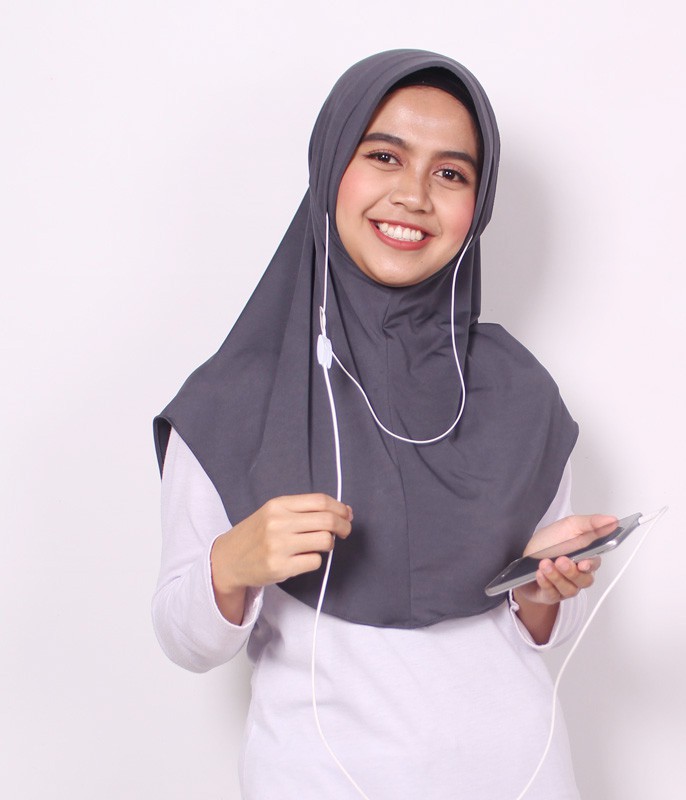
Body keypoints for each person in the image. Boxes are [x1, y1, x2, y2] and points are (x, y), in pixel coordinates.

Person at [152, 49, 618, 799]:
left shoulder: (516, 390)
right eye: (384, 156)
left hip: (521, 776)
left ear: (478, 204)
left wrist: (543, 590)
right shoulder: (234, 397)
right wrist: (229, 565)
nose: (414, 195)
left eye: (451, 173)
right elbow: (187, 641)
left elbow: (536, 629)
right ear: (331, 164)